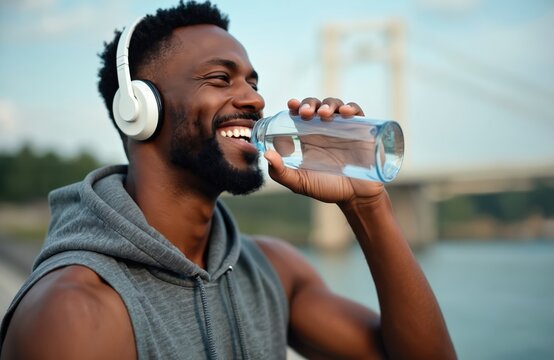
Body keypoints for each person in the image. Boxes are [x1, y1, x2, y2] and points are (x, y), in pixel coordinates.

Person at [0, 1, 456, 359]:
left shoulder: (274, 270)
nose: (254, 99)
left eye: (253, 83)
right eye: (221, 78)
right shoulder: (74, 310)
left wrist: (366, 206)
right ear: (139, 109)